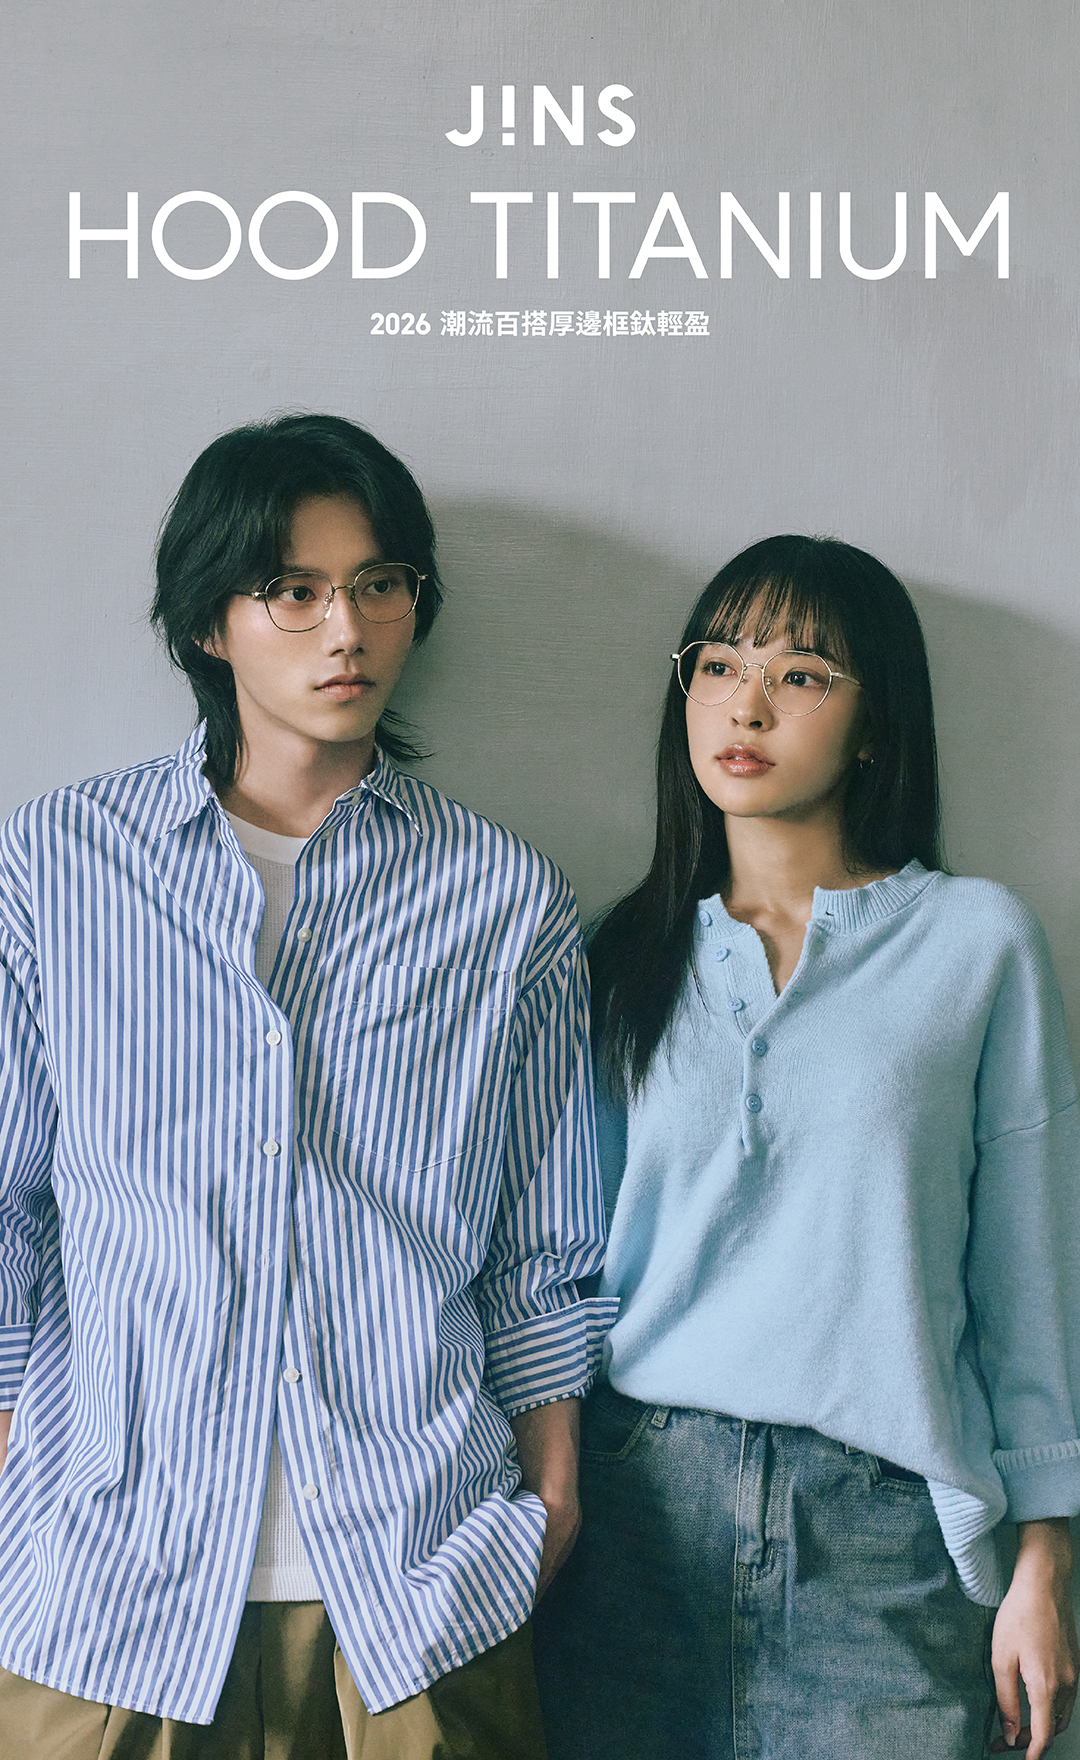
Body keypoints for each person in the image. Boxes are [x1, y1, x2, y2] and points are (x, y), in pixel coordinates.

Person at [0, 413, 615, 1758]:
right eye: (294, 590)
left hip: (420, 1578)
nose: (348, 630)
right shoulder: (56, 867)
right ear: (208, 624)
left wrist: (552, 1492)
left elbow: (540, 1239)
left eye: (380, 584)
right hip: (110, 1579)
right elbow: (7, 1206)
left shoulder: (503, 898)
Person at [533, 535, 1080, 1760]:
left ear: (876, 723)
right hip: (636, 1522)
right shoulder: (616, 954)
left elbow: (1032, 1280)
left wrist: (1045, 1563)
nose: (748, 704)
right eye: (720, 663)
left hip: (885, 1538)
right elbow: (557, 1263)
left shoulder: (978, 943)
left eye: (803, 673)